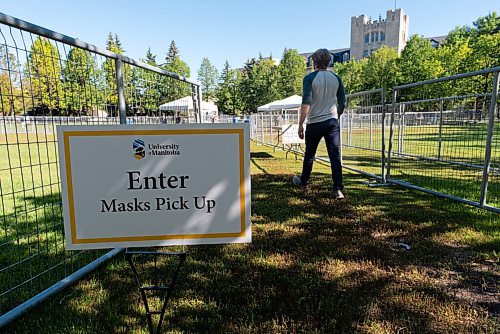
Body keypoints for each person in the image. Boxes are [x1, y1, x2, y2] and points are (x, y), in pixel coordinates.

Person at [292, 48, 346, 199]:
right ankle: (338, 188)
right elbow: (342, 103)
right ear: (329, 61)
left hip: (315, 122)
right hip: (331, 122)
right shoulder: (336, 78)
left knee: (310, 153)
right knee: (334, 155)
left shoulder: (309, 79)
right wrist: (336, 116)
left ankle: (303, 180)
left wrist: (300, 124)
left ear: (314, 62)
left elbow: (306, 102)